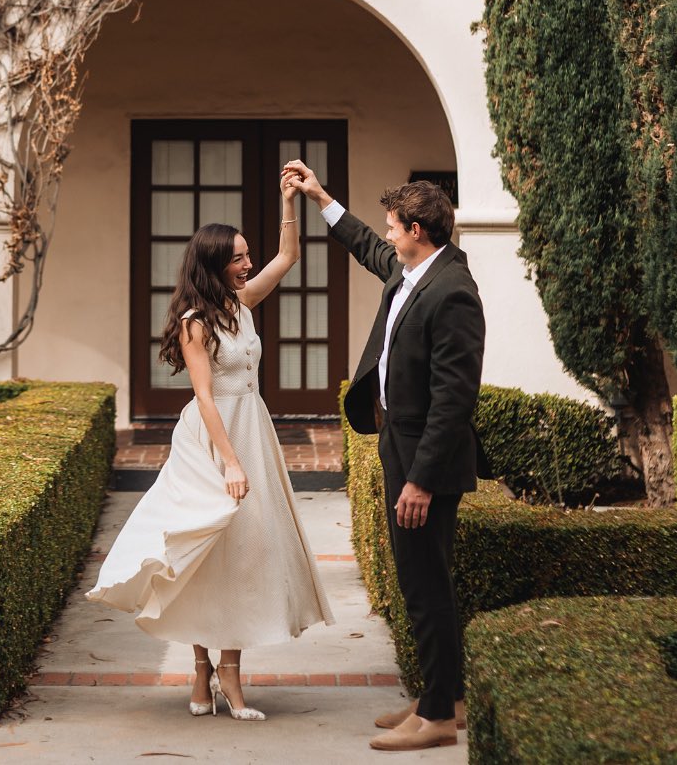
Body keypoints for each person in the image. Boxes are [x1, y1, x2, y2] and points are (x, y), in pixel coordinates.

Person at [86, 169, 333, 721]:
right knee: (202, 552)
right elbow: (203, 396)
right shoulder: (195, 323)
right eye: (238, 258)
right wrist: (230, 463)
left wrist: (288, 201)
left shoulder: (243, 303)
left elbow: (288, 256)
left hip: (253, 428)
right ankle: (201, 667)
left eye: (247, 256)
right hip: (212, 439)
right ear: (213, 264)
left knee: (244, 552)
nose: (247, 264)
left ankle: (231, 671)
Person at [283, 160, 485, 753]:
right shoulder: (413, 270)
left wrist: (421, 480)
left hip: (427, 460)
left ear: (417, 231)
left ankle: (438, 718)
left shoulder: (452, 292)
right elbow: (367, 246)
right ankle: (444, 698)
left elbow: (454, 399)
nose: (388, 235)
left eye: (395, 226)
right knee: (420, 579)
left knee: (425, 584)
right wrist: (320, 197)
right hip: (398, 439)